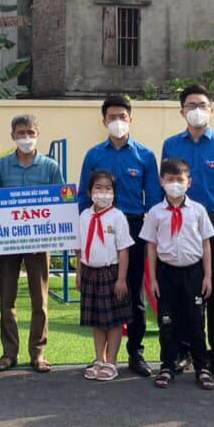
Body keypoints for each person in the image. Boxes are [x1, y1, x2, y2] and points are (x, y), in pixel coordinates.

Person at [161, 84, 214, 381]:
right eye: (190, 105)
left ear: (211, 110)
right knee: (182, 289)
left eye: (202, 105)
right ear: (182, 111)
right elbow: (165, 185)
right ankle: (184, 351)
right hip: (179, 224)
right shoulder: (171, 145)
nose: (196, 110)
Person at [76, 94, 163, 377]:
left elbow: (153, 199)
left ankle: (135, 353)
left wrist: (151, 236)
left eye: (122, 117)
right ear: (104, 121)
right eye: (111, 117)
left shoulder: (145, 155)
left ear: (131, 120)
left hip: (133, 227)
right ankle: (100, 358)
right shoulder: (94, 155)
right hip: (98, 228)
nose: (117, 122)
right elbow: (82, 196)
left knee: (134, 293)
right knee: (99, 293)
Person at [0, 114, 63, 374]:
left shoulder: (50, 166)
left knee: (40, 300)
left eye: (30, 132)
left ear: (37, 134)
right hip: (7, 244)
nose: (26, 137)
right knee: (6, 300)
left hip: (39, 243)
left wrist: (44, 236)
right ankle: (9, 353)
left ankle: (38, 353)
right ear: (12, 136)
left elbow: (59, 204)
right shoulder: (1, 166)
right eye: (21, 133)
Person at [143, 159, 214, 391]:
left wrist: (208, 276)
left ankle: (202, 367)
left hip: (193, 273)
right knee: (167, 322)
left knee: (196, 323)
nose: (175, 184)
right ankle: (167, 366)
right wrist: (153, 279)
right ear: (161, 182)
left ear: (189, 183)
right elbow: (151, 247)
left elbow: (206, 244)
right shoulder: (156, 213)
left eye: (180, 180)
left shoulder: (198, 211)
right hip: (166, 274)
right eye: (170, 180)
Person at [75, 171, 133, 382]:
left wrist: (121, 279)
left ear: (114, 193)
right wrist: (79, 274)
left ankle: (112, 362)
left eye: (108, 188)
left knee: (114, 321)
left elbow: (124, 249)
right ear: (89, 192)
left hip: (111, 272)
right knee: (97, 320)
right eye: (98, 188)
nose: (103, 192)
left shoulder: (117, 217)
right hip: (90, 272)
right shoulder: (84, 216)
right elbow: (79, 248)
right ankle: (99, 359)